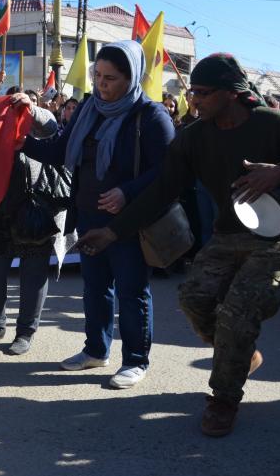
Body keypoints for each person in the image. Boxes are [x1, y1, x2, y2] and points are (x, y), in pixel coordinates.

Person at [76, 53, 280, 437]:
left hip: (279, 236)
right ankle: (240, 354)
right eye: (194, 92)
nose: (194, 99)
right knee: (193, 300)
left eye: (203, 93)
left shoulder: (274, 125)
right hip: (229, 233)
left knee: (239, 311)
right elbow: (161, 191)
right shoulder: (194, 137)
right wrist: (112, 232)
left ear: (231, 93)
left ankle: (223, 398)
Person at [19, 40, 174, 388]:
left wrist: (127, 192)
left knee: (132, 291)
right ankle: (95, 350)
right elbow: (59, 150)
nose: (101, 84)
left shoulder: (151, 116)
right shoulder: (89, 108)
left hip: (128, 223)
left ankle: (135, 360)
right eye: (97, 75)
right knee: (95, 288)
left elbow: (169, 172)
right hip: (88, 216)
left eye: (110, 78)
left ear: (131, 78)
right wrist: (20, 140)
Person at [0, 93, 64, 355]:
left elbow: (50, 126)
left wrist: (31, 108)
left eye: (20, 105)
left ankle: (25, 333)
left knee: (33, 276)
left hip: (33, 214)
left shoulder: (37, 126)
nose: (14, 110)